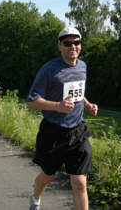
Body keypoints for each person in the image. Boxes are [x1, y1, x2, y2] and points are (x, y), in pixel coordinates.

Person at [26, 27, 98, 210]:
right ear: (59, 46)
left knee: (80, 182)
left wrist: (87, 104)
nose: (72, 46)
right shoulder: (49, 70)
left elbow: (77, 91)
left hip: (77, 131)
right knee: (48, 176)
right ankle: (35, 197)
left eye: (76, 42)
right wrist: (57, 106)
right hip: (53, 132)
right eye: (67, 43)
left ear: (80, 45)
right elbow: (32, 101)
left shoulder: (83, 66)